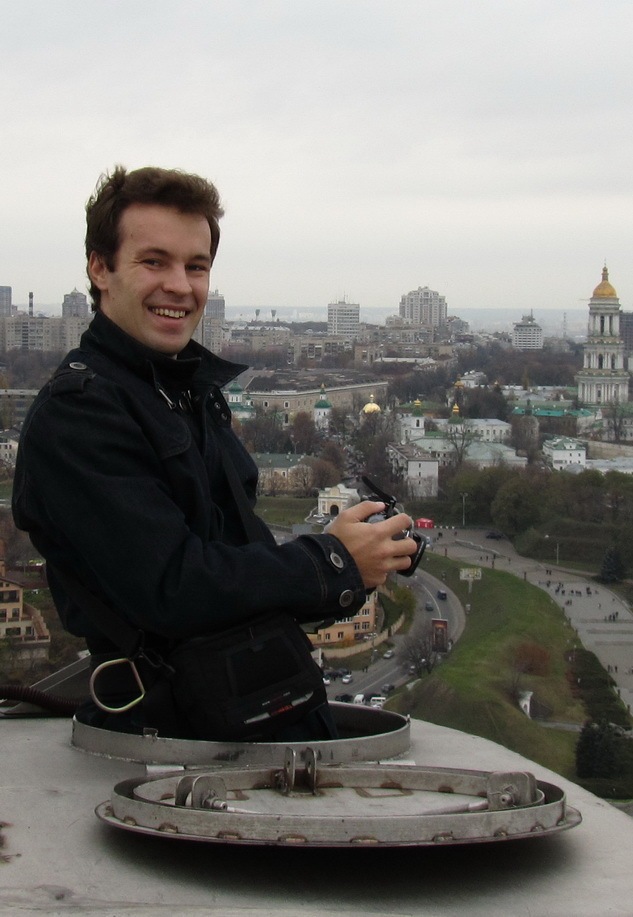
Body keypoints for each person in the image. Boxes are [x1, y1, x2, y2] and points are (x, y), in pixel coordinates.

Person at [12, 165, 417, 741]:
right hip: (173, 741)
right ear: (100, 269)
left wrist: (358, 562)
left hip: (244, 715)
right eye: (154, 262)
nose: (180, 286)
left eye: (196, 266)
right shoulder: (81, 414)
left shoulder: (180, 390)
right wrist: (329, 562)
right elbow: (174, 587)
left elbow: (237, 566)